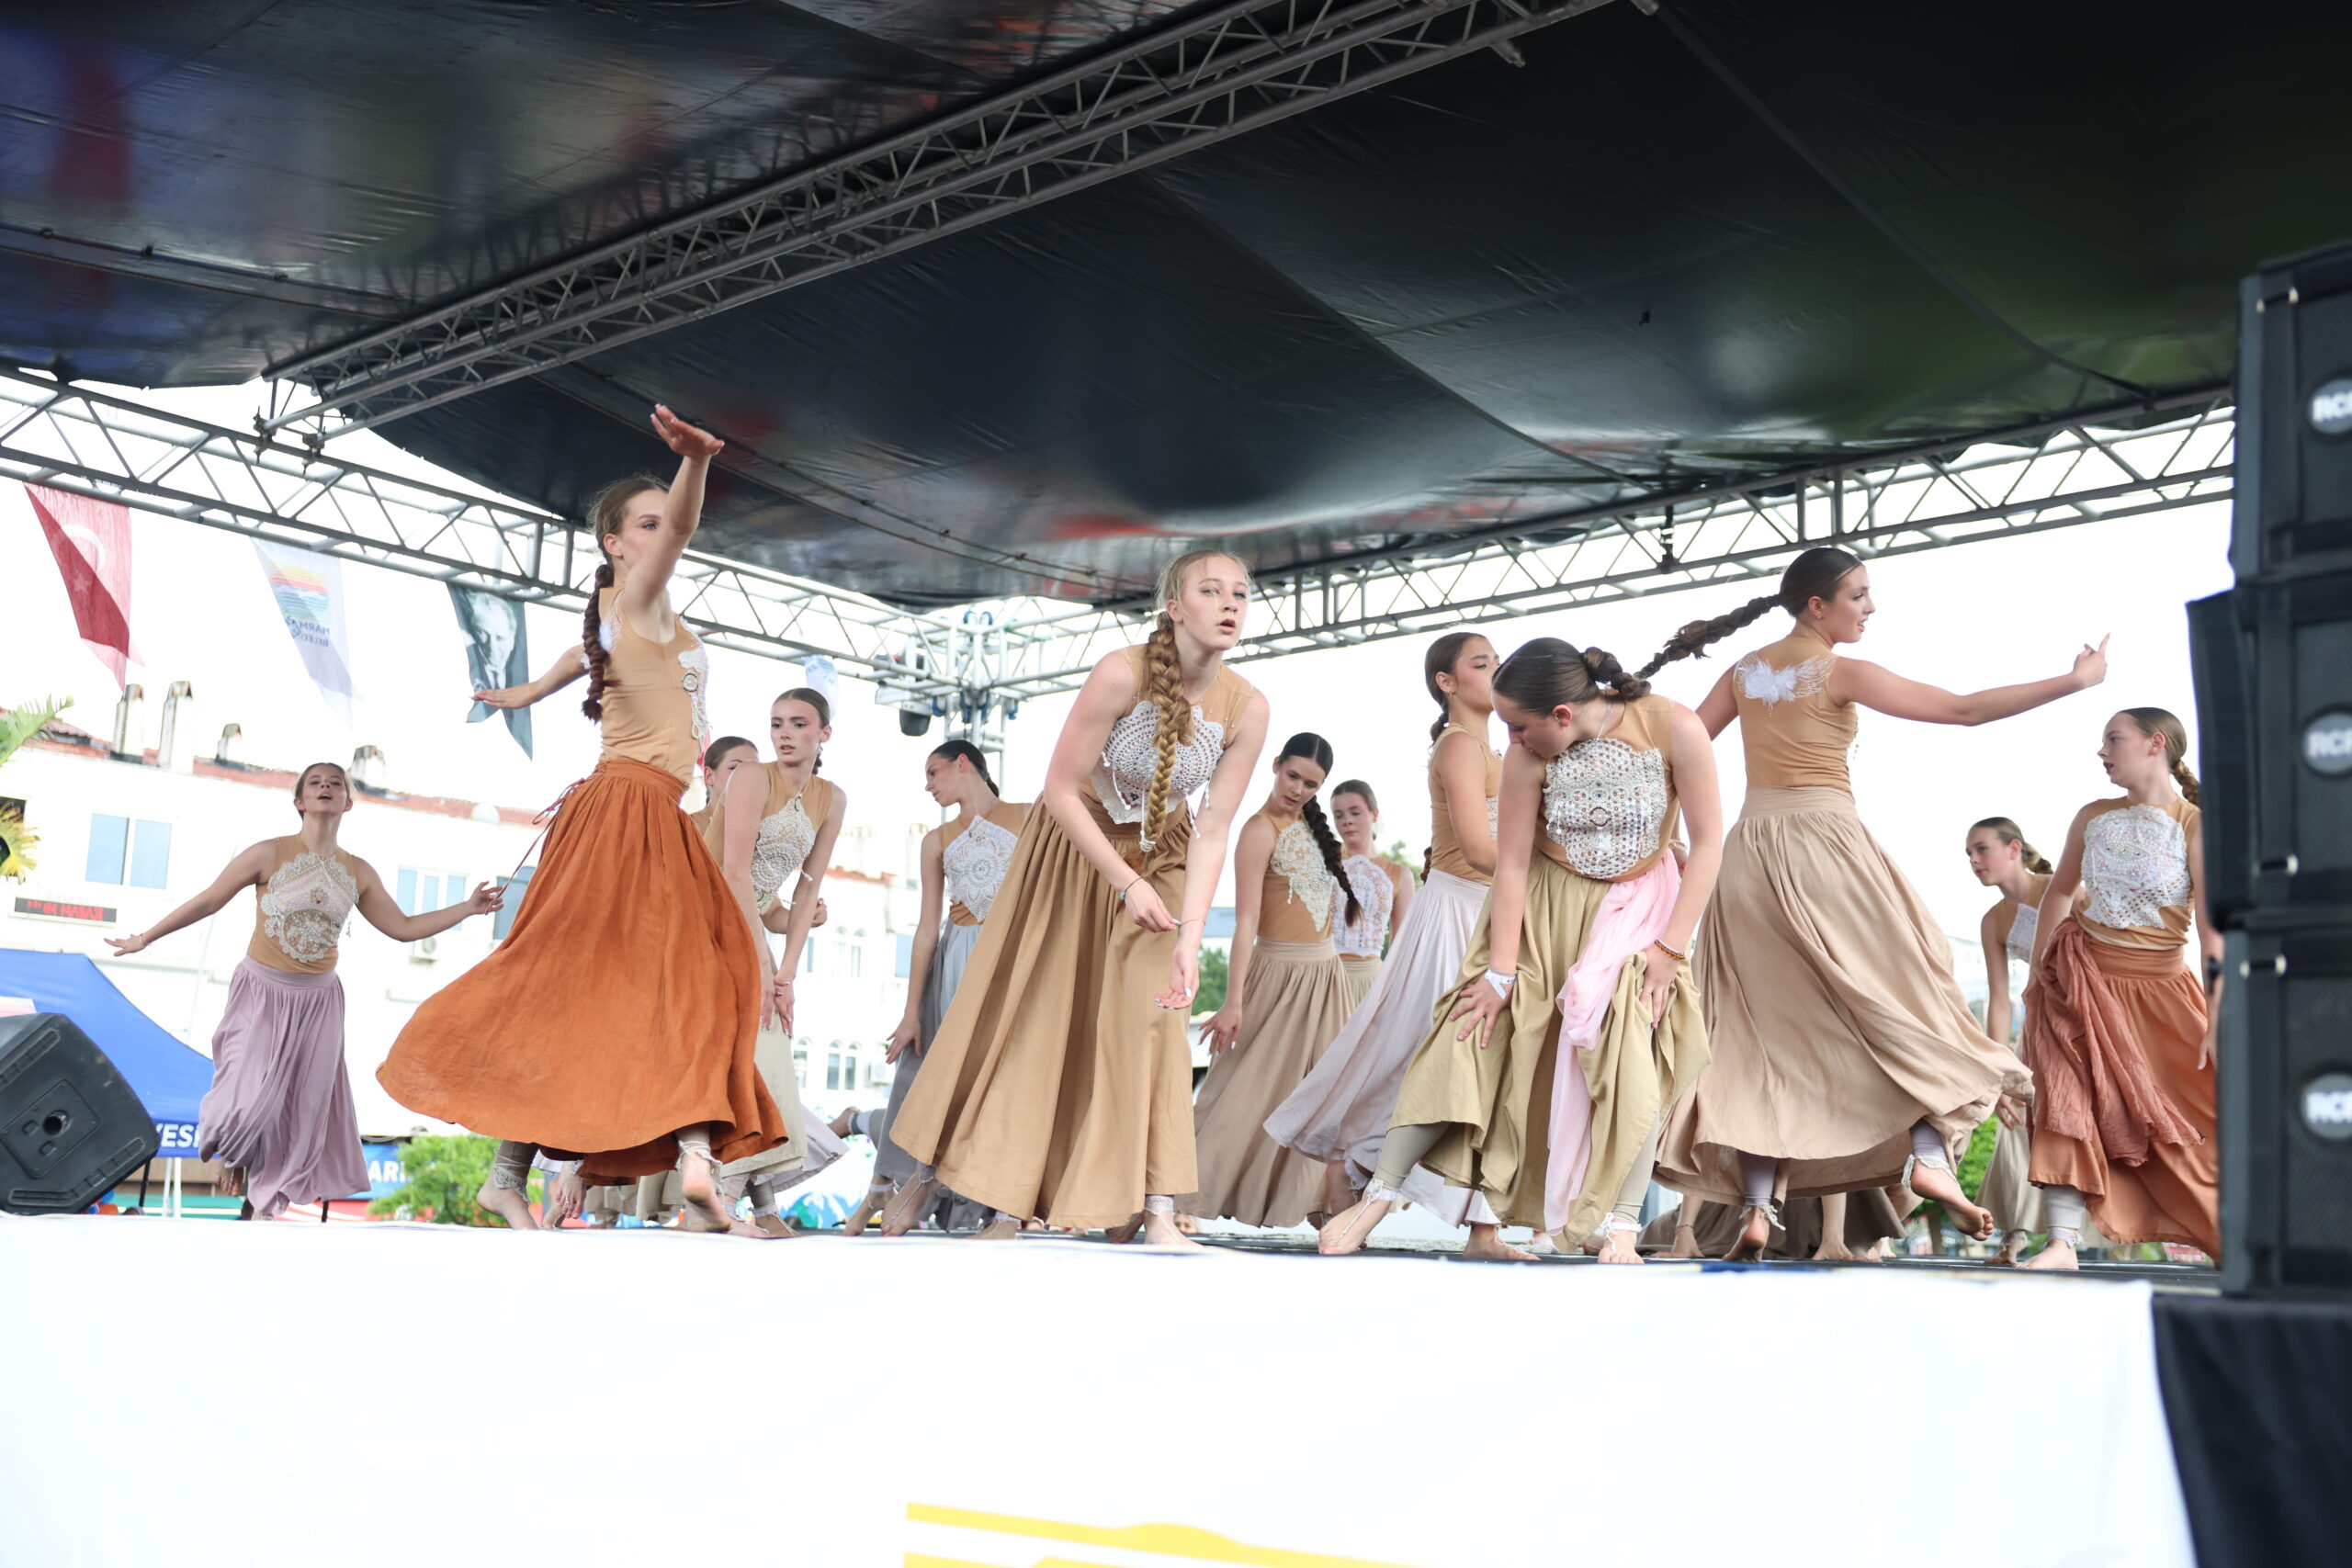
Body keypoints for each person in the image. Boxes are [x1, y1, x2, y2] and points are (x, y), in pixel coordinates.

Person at [377, 407, 783, 1237]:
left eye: (661, 521)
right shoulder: (640, 597)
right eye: (646, 524)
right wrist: (695, 464)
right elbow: (682, 531)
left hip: (652, 813)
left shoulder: (618, 615)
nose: (662, 532)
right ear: (616, 543)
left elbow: (575, 661)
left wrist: (526, 691)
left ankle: (646, 1164)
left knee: (641, 985)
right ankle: (671, 1160)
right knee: (648, 980)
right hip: (624, 812)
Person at [1650, 547, 2105, 1259]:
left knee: (1757, 1036)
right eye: (1858, 594)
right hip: (1825, 848)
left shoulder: (1742, 672)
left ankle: (1760, 1206)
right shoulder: (1839, 671)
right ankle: (1927, 1155)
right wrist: (2073, 681)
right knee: (1903, 1002)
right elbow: (1963, 710)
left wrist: (1669, 838)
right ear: (1817, 605)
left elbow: (1675, 751)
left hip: (1748, 856)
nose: (1870, 607)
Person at [886, 550, 1270, 1247]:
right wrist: (1125, 882)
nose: (1230, 604)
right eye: (1211, 591)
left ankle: (1157, 1206)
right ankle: (992, 1198)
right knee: (1037, 1019)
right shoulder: (1120, 672)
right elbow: (1059, 790)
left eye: (1240, 594)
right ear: (1175, 609)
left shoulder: (1249, 706)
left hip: (1167, 856)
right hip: (1073, 849)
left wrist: (1189, 939)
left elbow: (1214, 829)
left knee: (1156, 1020)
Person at [1320, 638, 1719, 1261]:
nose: (1510, 738)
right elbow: (1509, 866)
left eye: (1517, 726)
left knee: (1634, 1053)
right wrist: (1500, 976)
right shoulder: (1528, 754)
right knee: (1465, 1036)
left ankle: (1621, 1225)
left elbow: (1710, 843)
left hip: (1638, 919)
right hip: (1540, 910)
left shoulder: (1675, 726)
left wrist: (1669, 950)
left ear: (1561, 714)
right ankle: (1375, 1197)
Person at [106, 762, 501, 1219]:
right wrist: (145, 938)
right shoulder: (267, 853)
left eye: (336, 783)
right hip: (262, 992)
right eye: (315, 782)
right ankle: (236, 1152)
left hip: (319, 1002)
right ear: (300, 801)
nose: (326, 787)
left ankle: (264, 1205)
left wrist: (467, 908)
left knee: (302, 1111)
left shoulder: (358, 871)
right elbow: (210, 899)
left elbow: (404, 927)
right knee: (244, 1099)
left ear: (348, 803)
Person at [1263, 632, 1507, 1233]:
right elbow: (1479, 849)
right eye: (1482, 664)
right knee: (1442, 1054)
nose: (1497, 671)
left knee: (1477, 1059)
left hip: (1487, 909)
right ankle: (1360, 1163)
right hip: (1457, 911)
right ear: (1447, 682)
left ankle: (1475, 1220)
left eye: (1499, 662)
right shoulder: (1460, 746)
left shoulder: (1494, 747)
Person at [2018, 709, 2220, 1269]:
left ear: (2155, 744)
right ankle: (2061, 1243)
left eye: (2114, 738)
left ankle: (2235, 1233)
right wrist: (2038, 973)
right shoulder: (2092, 815)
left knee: (2196, 1121)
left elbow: (2212, 928)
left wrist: (2219, 1011)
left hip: (2160, 993)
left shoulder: (2196, 824)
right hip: (2079, 978)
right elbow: (2060, 892)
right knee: (2065, 1097)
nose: (2102, 750)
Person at [841, 739, 1028, 1237]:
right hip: (959, 960)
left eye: (933, 773)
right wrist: (911, 1012)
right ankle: (914, 1182)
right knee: (944, 1078)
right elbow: (926, 929)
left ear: (963, 763)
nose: (927, 785)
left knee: (1011, 1076)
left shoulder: (1030, 816)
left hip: (1015, 957)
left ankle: (1005, 1205)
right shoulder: (936, 841)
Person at [1188, 734, 1357, 1230]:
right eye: (1292, 776)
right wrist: (1233, 1002)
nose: (1298, 789)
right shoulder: (1259, 830)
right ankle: (1163, 1198)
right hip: (1277, 979)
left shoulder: (1313, 829)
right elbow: (1245, 923)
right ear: (1276, 765)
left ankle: (1321, 1207)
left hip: (1327, 980)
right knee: (1242, 1094)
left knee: (1327, 1098)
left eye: (1311, 784)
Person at [1966, 816, 2094, 1263]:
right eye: (1969, 854)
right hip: (2037, 1026)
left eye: (1982, 849)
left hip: (2086, 1018)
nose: (1974, 861)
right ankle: (2015, 1233)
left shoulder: (2063, 890)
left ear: (2014, 848)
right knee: (2015, 1119)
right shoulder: (1992, 921)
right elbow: (1999, 1000)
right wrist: (1998, 1071)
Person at [1329, 780, 1414, 1009]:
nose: (1346, 821)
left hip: (1373, 983)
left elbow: (1400, 945)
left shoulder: (1399, 874)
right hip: (1324, 978)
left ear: (1374, 814)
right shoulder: (1323, 866)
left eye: (1355, 813)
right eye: (1338, 815)